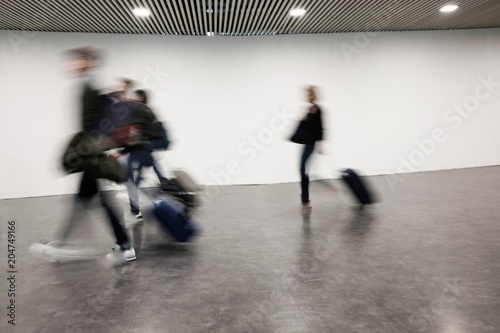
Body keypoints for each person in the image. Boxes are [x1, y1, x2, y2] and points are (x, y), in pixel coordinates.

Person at [30, 47, 136, 265]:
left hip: (90, 154)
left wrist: (85, 150)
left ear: (88, 61)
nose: (72, 64)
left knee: (96, 202)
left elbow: (95, 126)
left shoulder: (90, 88)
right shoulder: (88, 86)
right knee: (84, 200)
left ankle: (125, 246)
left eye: (77, 61)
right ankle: (63, 244)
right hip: (89, 153)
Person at [297, 85, 324, 209]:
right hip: (306, 143)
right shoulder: (310, 109)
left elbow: (320, 128)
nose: (306, 97)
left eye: (308, 94)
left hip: (311, 144)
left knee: (303, 169)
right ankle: (304, 196)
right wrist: (304, 119)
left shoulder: (317, 110)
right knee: (302, 169)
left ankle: (306, 198)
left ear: (313, 95)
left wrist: (321, 144)